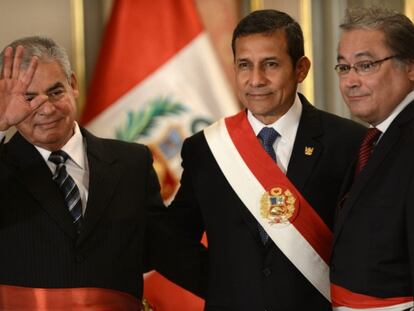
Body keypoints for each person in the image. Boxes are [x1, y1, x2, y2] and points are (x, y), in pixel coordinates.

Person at [166, 9, 366, 310]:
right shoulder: (206, 149)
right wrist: (224, 287)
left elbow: (367, 245)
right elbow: (176, 239)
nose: (256, 80)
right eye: (244, 65)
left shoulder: (349, 143)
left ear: (301, 69)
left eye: (270, 64)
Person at [0, 36, 206, 310]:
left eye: (55, 91)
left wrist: (247, 291)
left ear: (72, 85)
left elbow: (165, 248)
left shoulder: (132, 162)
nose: (46, 108)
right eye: (29, 98)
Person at [330, 7, 414, 310]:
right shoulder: (374, 138)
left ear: (411, 67)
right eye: (343, 68)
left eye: (365, 65)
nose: (350, 81)